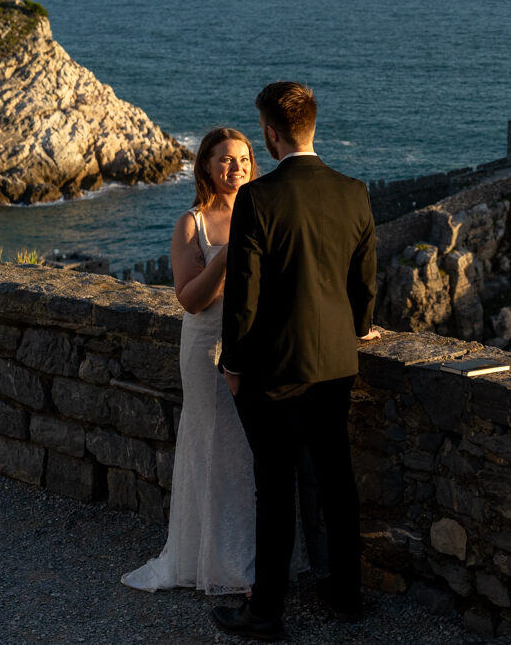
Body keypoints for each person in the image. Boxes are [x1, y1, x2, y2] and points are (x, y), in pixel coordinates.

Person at [210, 81, 378, 642]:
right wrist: (359, 328)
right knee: (337, 482)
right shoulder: (354, 191)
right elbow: (364, 281)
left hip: (273, 368)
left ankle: (266, 613)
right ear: (312, 126)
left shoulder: (258, 198)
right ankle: (348, 597)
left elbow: (244, 296)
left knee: (275, 489)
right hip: (336, 362)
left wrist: (233, 365)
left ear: (269, 134)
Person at [121, 127, 258, 595]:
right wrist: (228, 256)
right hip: (208, 348)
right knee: (216, 445)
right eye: (225, 159)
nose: (236, 167)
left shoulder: (262, 213)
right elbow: (190, 299)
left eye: (243, 159)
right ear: (205, 166)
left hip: (257, 346)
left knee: (253, 451)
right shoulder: (191, 224)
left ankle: (254, 554)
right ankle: (222, 565)